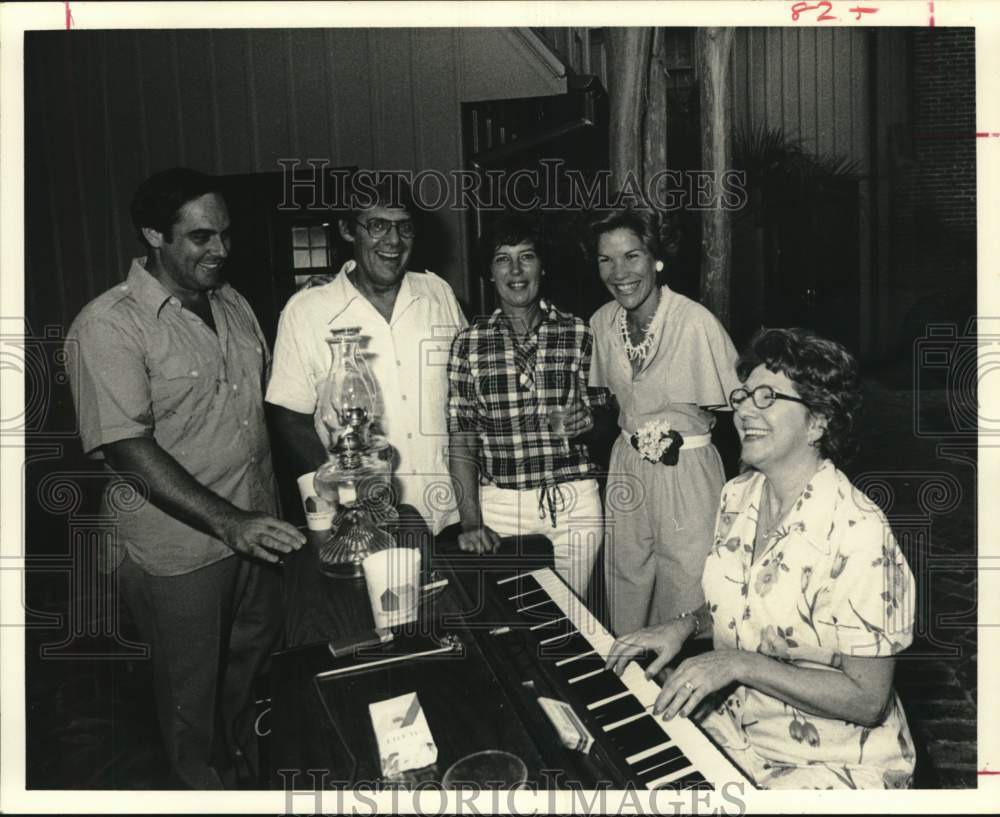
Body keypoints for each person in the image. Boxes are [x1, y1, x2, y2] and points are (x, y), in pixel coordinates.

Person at [64, 168, 306, 788]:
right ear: (153, 235)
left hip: (257, 529)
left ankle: (244, 775)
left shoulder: (232, 302)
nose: (220, 250)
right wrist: (230, 523)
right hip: (181, 551)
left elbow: (264, 411)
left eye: (225, 234)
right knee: (189, 703)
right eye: (200, 237)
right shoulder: (109, 325)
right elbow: (124, 448)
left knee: (250, 669)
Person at [607, 328, 917, 789]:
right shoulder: (737, 495)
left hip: (833, 759)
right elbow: (748, 606)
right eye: (745, 395)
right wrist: (686, 625)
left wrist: (737, 665)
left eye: (768, 397)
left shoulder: (859, 535)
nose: (745, 410)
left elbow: (868, 699)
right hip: (738, 730)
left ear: (818, 421)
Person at [266, 174, 466, 535]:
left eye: (405, 227)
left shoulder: (439, 294)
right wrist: (345, 492)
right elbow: (289, 419)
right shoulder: (308, 311)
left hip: (451, 515)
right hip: (361, 521)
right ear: (347, 230)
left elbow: (469, 395)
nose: (393, 240)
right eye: (377, 225)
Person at [586, 207, 740, 634]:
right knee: (625, 579)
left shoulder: (695, 322)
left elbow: (743, 410)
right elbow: (605, 405)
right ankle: (632, 686)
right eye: (606, 260)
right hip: (626, 468)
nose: (619, 272)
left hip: (687, 472)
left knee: (688, 588)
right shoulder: (600, 323)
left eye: (631, 256)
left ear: (656, 258)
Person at [446, 213, 604, 597]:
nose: (516, 271)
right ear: (489, 273)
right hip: (501, 509)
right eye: (503, 259)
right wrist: (470, 523)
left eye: (526, 256)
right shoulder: (468, 343)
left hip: (575, 505)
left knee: (572, 624)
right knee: (520, 627)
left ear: (543, 266)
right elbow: (462, 440)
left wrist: (592, 421)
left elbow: (608, 421)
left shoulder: (580, 332)